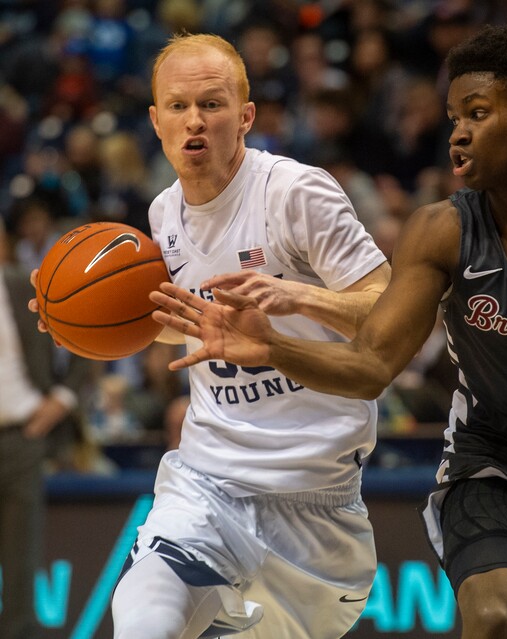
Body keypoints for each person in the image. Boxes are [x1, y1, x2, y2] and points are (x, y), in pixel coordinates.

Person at [148, 24, 507, 639]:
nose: (457, 132)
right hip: (495, 464)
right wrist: (273, 346)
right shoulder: (442, 231)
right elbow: (371, 367)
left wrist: (290, 305)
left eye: (478, 113)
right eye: (453, 116)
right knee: (493, 616)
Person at [28, 32, 390, 639]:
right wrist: (81, 325)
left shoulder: (296, 192)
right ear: (155, 120)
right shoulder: (162, 214)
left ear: (245, 116)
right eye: (177, 106)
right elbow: (188, 326)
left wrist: (290, 296)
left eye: (212, 104)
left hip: (315, 505)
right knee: (142, 619)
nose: (194, 120)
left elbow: (392, 312)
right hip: (206, 483)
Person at [0, 217, 88, 639]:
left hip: (21, 437)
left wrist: (60, 402)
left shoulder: (21, 287)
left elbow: (83, 340)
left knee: (20, 564)